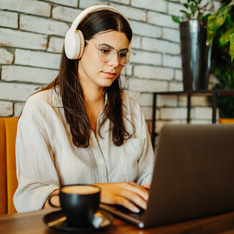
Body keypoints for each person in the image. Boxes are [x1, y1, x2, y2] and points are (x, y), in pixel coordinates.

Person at [13, 5, 154, 214]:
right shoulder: (41, 109)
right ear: (76, 47)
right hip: (67, 228)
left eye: (122, 53)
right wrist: (95, 192)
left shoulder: (130, 108)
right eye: (105, 50)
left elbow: (149, 178)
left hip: (125, 228)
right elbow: (30, 196)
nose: (115, 62)